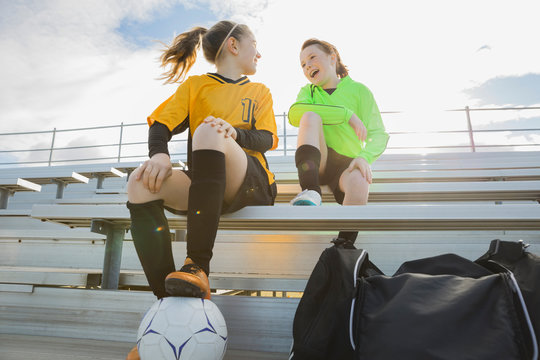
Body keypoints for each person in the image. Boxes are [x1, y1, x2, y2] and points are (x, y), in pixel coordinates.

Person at [126, 20, 278, 302]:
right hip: (204, 187)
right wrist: (159, 155)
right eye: (254, 45)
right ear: (233, 45)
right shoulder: (196, 86)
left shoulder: (259, 91)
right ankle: (167, 302)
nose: (259, 54)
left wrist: (234, 133)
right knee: (139, 183)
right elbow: (160, 124)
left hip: (250, 183)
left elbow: (267, 138)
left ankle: (197, 266)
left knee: (210, 129)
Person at [288, 38, 389, 244]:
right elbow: (294, 114)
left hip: (346, 164)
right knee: (309, 116)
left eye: (312, 58)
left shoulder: (359, 90)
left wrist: (364, 157)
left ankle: (344, 247)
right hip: (319, 160)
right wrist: (346, 114)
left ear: (332, 57)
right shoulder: (308, 92)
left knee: (361, 178)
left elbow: (379, 134)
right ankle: (310, 191)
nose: (307, 66)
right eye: (303, 65)